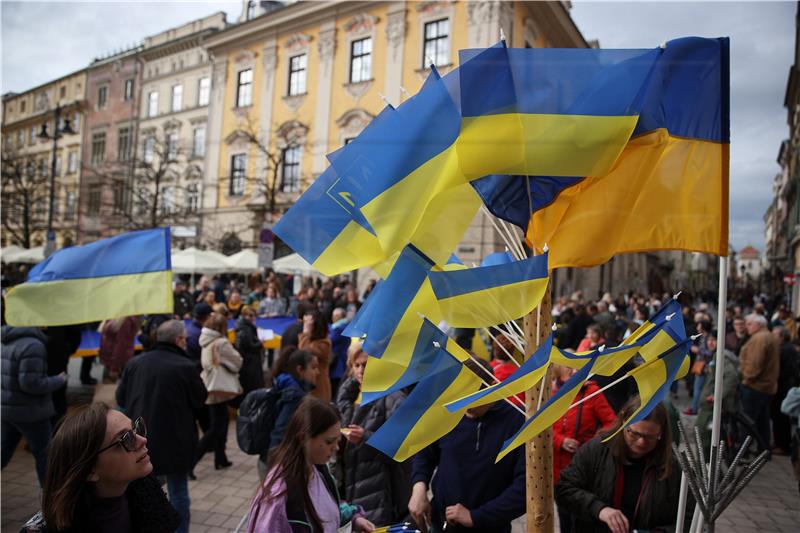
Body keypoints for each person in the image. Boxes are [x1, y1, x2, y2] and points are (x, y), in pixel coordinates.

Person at [20, 403, 181, 533]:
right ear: (90, 470)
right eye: (125, 439)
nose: (142, 440)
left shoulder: (146, 491)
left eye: (136, 428)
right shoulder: (43, 529)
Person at [408, 361, 526, 533]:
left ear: (492, 386)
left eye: (471, 398)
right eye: (459, 398)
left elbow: (525, 489)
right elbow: (425, 451)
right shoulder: (449, 410)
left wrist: (476, 517)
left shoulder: (517, 421)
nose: (464, 407)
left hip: (490, 528)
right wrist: (419, 487)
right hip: (441, 523)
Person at [116, 320, 208, 533]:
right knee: (178, 492)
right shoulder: (186, 367)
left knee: (143, 491)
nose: (186, 342)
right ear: (178, 340)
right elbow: (200, 399)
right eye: (184, 338)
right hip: (176, 440)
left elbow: (121, 398)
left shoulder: (136, 362)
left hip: (139, 438)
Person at [245, 396, 375, 533]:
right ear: (303, 438)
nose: (336, 447)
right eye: (329, 441)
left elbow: (326, 509)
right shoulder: (278, 497)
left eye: (338, 440)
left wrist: (354, 518)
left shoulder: (319, 470)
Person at [555, 397, 682, 533]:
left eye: (650, 437)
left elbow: (687, 516)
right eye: (634, 434)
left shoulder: (671, 467)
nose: (641, 442)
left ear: (662, 434)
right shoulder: (596, 450)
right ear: (623, 422)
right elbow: (564, 489)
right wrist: (598, 509)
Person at [336, 342, 409, 525]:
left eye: (366, 364)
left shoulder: (393, 397)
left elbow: (402, 448)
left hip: (378, 491)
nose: (361, 370)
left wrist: (365, 437)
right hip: (348, 487)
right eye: (356, 365)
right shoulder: (347, 396)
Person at [551, 366, 617, 533]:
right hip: (556, 468)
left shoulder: (591, 392)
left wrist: (592, 444)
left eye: (576, 368)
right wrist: (560, 441)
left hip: (582, 468)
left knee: (580, 517)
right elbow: (541, 427)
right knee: (564, 514)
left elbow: (612, 423)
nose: (574, 371)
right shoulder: (549, 392)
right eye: (569, 368)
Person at [1, 325, 68, 485]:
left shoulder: (8, 341)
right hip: (31, 412)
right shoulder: (33, 345)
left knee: (4, 451)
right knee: (46, 455)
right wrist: (58, 380)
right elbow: (30, 384)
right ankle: (52, 499)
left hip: (9, 408)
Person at [257, 347, 321, 480]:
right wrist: (276, 467)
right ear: (300, 370)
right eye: (314, 367)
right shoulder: (295, 395)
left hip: (267, 459)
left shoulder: (285, 383)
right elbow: (280, 431)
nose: (318, 372)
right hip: (275, 464)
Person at [197, 313, 243, 470]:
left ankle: (220, 458)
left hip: (211, 385)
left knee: (221, 425)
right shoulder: (221, 342)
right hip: (220, 387)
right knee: (216, 427)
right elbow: (238, 360)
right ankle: (192, 461)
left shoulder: (204, 339)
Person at [739, 313, 780, 450]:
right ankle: (764, 450)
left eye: (749, 324)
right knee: (763, 421)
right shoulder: (768, 336)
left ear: (759, 325)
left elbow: (755, 365)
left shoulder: (760, 338)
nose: (746, 326)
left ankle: (743, 451)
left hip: (755, 386)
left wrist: (745, 379)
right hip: (766, 386)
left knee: (748, 421)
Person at [696, 331, 740, 452]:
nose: (710, 343)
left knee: (702, 435)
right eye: (709, 340)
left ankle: (706, 465)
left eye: (714, 340)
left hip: (713, 405)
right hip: (710, 403)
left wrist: (717, 395)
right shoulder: (715, 354)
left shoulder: (720, 355)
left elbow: (732, 376)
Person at [44, 325, 83, 426]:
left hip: (55, 353)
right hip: (58, 354)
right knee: (58, 398)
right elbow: (75, 333)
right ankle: (56, 429)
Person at [771, 326, 800, 455]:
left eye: (775, 335)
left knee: (780, 418)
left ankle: (782, 445)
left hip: (783, 388)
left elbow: (786, 370)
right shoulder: (787, 348)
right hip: (785, 387)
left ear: (781, 337)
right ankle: (781, 443)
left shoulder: (785, 350)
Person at [299, 309, 333, 403]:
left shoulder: (324, 343)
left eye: (308, 323)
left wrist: (305, 333)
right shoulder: (312, 341)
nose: (304, 325)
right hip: (309, 385)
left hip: (319, 387)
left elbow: (303, 353)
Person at [236, 304, 266, 397]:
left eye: (253, 315)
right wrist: (261, 343)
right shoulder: (246, 329)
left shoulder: (245, 327)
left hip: (248, 362)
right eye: (250, 315)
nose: (253, 318)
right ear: (245, 316)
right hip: (250, 363)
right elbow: (251, 346)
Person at [98, 316, 139, 383]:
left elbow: (121, 345)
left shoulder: (124, 321)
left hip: (114, 361)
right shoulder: (116, 317)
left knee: (108, 389)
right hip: (111, 360)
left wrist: (114, 368)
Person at [328, 307, 350, 398]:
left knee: (335, 388)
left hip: (337, 363)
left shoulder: (338, 329)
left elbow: (330, 340)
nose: (334, 317)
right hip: (342, 360)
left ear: (342, 317)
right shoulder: (344, 326)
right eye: (333, 315)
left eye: (336, 315)